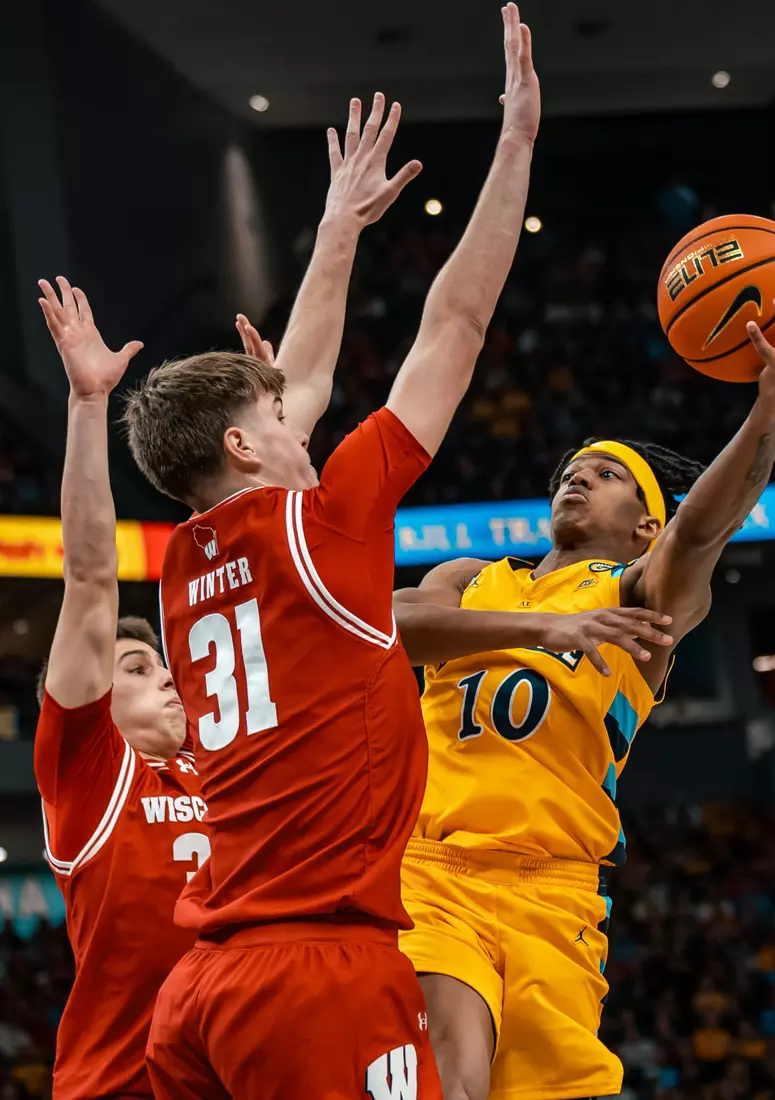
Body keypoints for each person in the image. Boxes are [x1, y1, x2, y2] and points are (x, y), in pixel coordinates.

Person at [122, 8, 541, 1096]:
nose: (301, 417)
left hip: (200, 986)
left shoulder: (184, 557)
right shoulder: (325, 524)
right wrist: (516, 147)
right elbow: (453, 326)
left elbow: (287, 389)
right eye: (280, 420)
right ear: (241, 445)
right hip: (317, 969)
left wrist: (339, 225)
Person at [392, 284, 775, 1100]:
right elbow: (389, 628)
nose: (577, 479)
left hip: (556, 889)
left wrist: (771, 411)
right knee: (446, 1083)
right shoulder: (471, 578)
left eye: (606, 476)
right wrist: (537, 633)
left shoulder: (642, 593)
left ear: (645, 524)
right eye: (571, 471)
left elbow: (706, 526)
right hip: (435, 870)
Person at [32, 278, 208, 1100]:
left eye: (165, 667)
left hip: (239, 1072)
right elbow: (93, 579)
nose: (167, 679)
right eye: (137, 670)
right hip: (121, 1084)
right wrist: (86, 404)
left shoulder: (221, 764)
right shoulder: (90, 769)